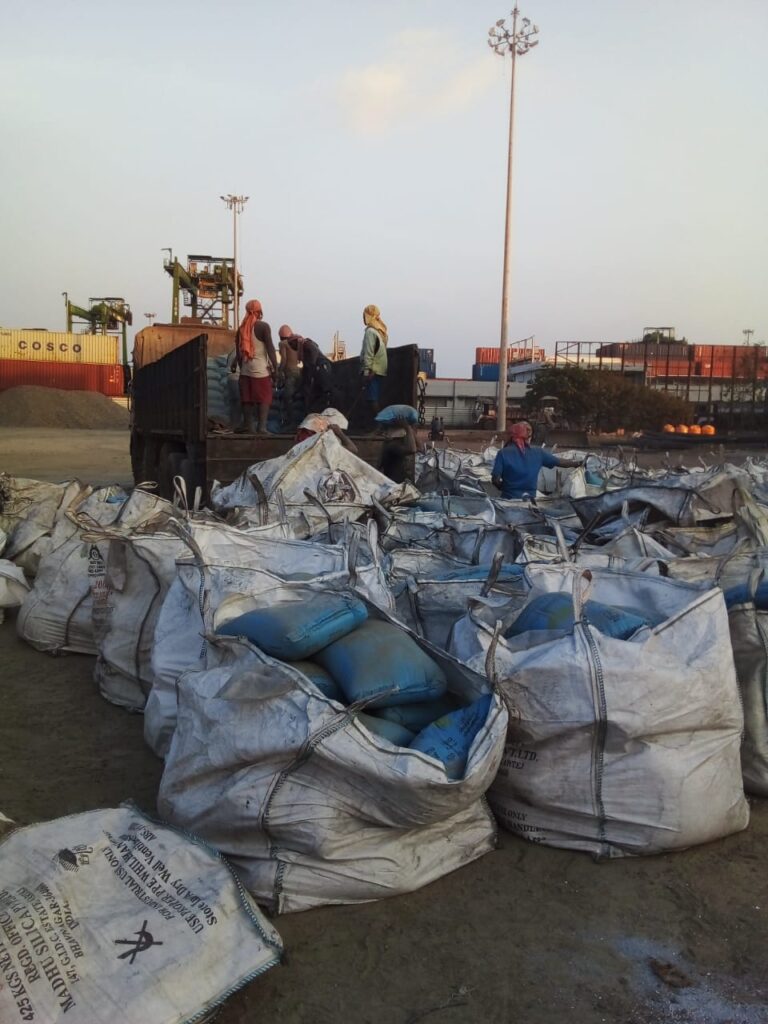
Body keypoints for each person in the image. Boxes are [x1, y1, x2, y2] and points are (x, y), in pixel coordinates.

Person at [491, 421, 583, 500]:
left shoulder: (503, 453)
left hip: (507, 500)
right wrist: (578, 463)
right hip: (529, 501)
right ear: (529, 437)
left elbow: (495, 480)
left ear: (512, 436)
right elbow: (559, 462)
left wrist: (504, 488)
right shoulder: (538, 453)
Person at [233, 299, 277, 434]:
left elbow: (239, 353)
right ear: (259, 311)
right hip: (260, 370)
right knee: (264, 398)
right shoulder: (263, 326)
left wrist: (241, 369)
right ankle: (262, 427)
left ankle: (248, 426)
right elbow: (270, 348)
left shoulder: (240, 330)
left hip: (246, 370)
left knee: (247, 399)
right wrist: (276, 368)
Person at [360, 304, 388, 424]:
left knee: (372, 400)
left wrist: (367, 372)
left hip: (373, 371)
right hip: (379, 370)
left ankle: (380, 426)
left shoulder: (370, 332)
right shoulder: (379, 331)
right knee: (373, 398)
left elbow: (368, 352)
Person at [277, 324, 303, 427]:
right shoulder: (297, 342)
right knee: (298, 398)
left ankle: (290, 423)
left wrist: (279, 371)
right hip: (298, 372)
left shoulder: (283, 344)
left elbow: (284, 360)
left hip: (290, 374)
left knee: (288, 398)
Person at [301, 337, 334, 412]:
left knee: (325, 394)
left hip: (321, 371)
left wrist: (312, 367)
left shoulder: (306, 344)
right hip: (318, 372)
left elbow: (314, 353)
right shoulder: (306, 349)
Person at [379, 418, 417, 483]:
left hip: (394, 481)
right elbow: (413, 449)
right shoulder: (393, 446)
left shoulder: (388, 445)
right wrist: (408, 428)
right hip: (396, 483)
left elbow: (420, 447)